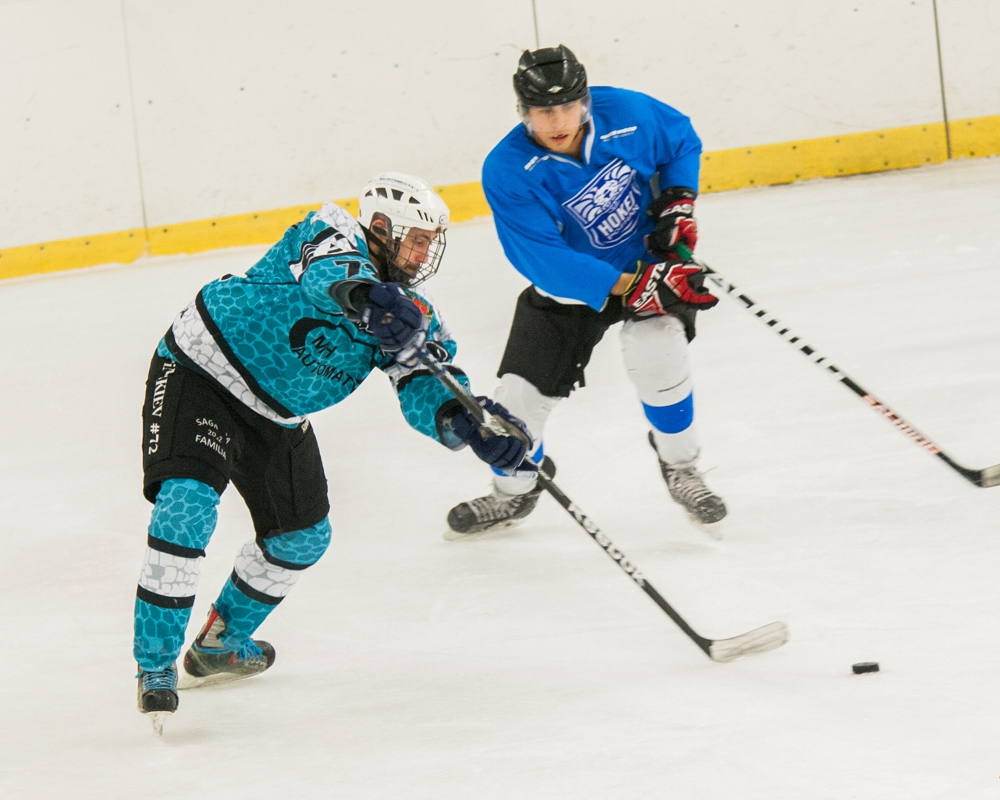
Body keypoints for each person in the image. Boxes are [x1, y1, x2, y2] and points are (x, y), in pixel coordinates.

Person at [133, 172, 532, 728]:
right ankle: (154, 666)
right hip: (202, 371)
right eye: (416, 239)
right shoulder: (330, 229)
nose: (423, 254)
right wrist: (369, 298)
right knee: (187, 505)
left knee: (301, 535)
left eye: (428, 243)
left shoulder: (414, 313)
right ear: (382, 227)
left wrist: (469, 425)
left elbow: (422, 383)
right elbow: (330, 276)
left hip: (275, 413)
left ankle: (219, 643)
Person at [446, 45, 724, 537]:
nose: (556, 121)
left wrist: (678, 202)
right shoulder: (507, 169)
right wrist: (632, 286)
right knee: (515, 406)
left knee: (657, 347)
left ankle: (681, 466)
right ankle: (514, 493)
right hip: (575, 290)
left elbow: (680, 139)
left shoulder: (628, 113)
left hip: (647, 260)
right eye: (541, 111)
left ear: (586, 101)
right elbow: (546, 262)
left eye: (567, 107)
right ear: (522, 112)